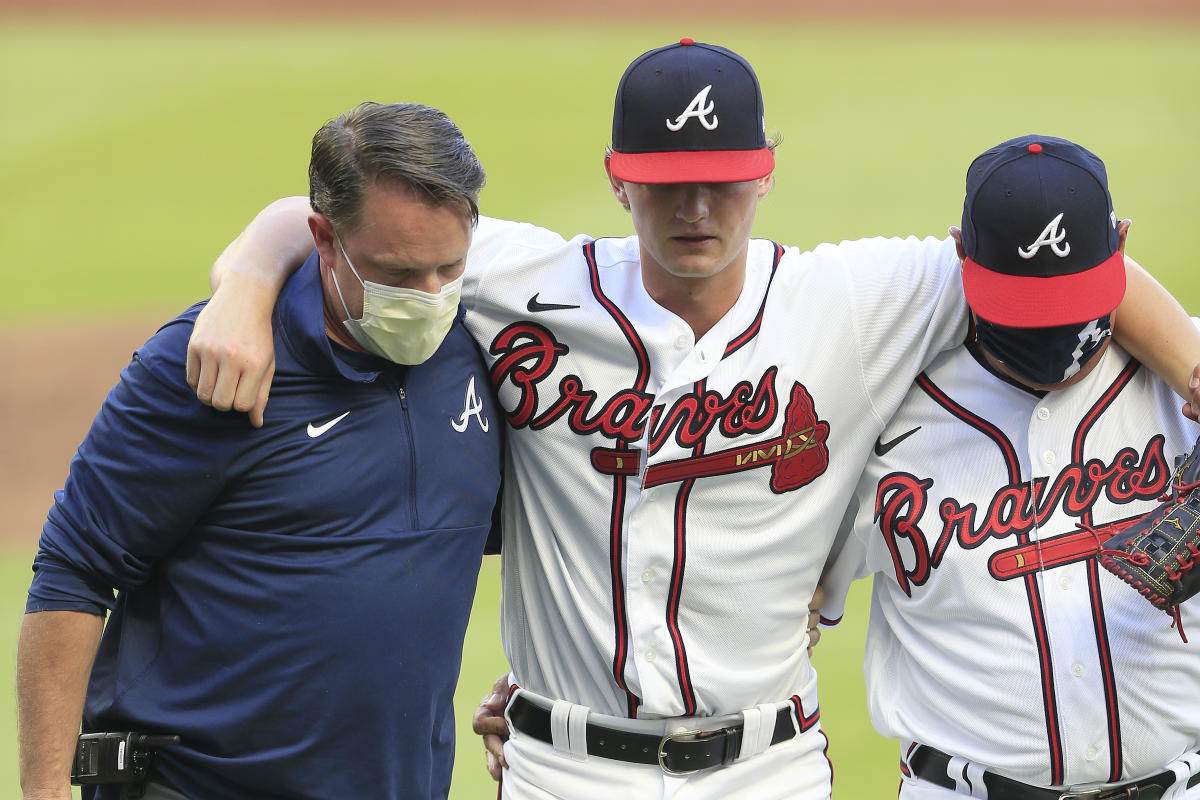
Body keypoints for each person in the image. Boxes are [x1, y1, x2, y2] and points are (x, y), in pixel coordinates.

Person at [184, 42, 1200, 799]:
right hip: (563, 766)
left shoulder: (856, 298)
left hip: (768, 764)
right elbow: (316, 214)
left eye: (721, 178)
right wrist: (243, 284)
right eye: (668, 184)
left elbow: (1053, 264)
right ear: (619, 174)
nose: (698, 208)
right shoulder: (525, 280)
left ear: (766, 168)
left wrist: (1192, 362)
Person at [16, 102, 503, 800]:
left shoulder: (480, 342)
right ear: (324, 240)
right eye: (395, 274)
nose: (428, 297)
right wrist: (42, 792)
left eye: (447, 268)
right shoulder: (213, 367)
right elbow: (74, 569)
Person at [820, 135, 1200, 798]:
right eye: (1026, 311)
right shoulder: (876, 421)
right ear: (957, 257)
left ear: (1123, 244)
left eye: (1070, 307)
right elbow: (778, 605)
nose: (1054, 340)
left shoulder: (1183, 387)